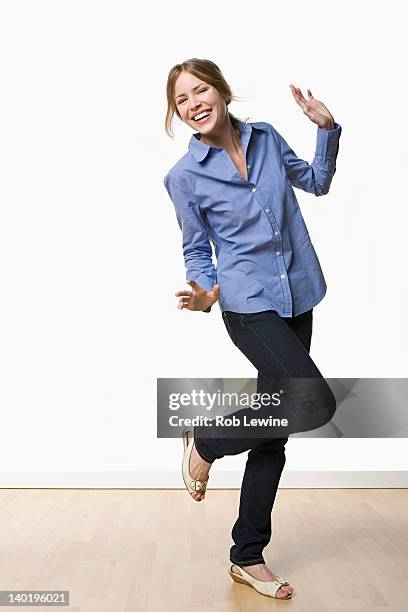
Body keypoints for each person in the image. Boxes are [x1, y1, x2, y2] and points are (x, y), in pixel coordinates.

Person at [163, 58, 342, 600]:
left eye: (199, 91)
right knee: (313, 401)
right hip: (247, 304)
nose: (193, 104)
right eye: (181, 101)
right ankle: (207, 441)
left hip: (299, 291)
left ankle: (247, 556)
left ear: (221, 91)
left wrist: (326, 130)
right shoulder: (184, 177)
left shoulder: (265, 138)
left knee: (277, 428)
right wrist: (203, 289)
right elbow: (197, 249)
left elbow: (317, 182)